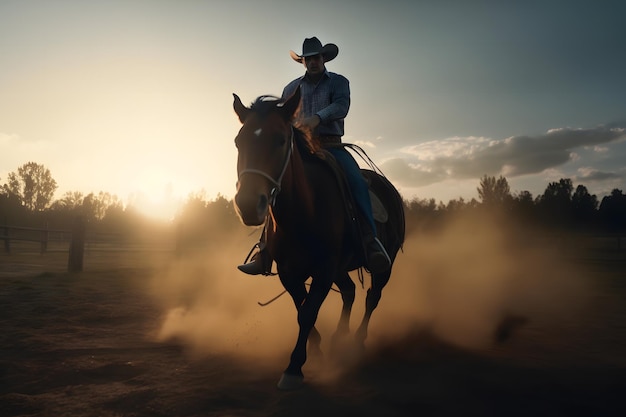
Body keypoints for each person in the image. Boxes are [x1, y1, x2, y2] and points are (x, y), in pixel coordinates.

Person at [238, 36, 391, 275]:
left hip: (331, 146)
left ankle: (370, 241)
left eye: (316, 58)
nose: (313, 62)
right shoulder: (291, 88)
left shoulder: (339, 82)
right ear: (303, 62)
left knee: (356, 181)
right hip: (299, 149)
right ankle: (266, 248)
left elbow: (342, 106)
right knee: (275, 186)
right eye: (308, 59)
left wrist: (317, 118)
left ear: (323, 59)